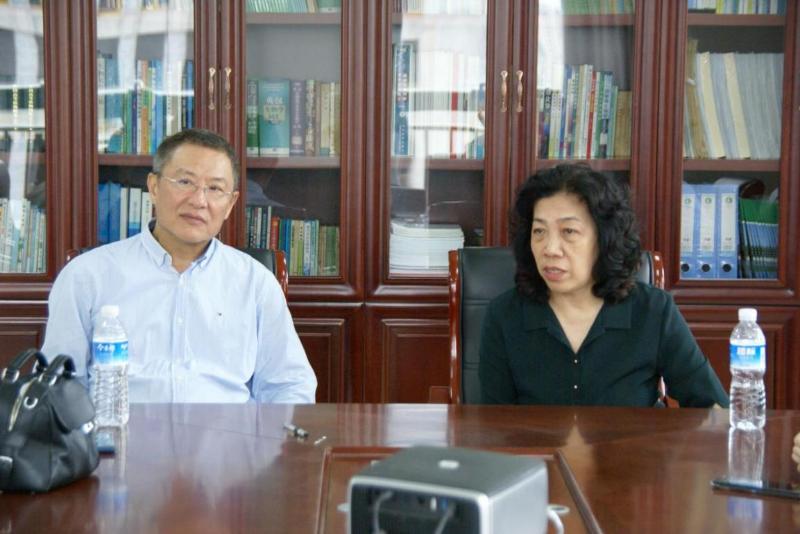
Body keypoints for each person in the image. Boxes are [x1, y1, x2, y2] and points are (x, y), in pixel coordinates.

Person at [42, 128, 316, 403]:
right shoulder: (87, 276)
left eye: (215, 188)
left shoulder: (255, 282)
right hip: (121, 428)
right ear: (154, 187)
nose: (199, 201)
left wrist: (270, 432)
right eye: (185, 182)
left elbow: (290, 385)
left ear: (231, 203)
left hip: (229, 430)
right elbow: (59, 386)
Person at [479, 163, 728, 407]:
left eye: (569, 231)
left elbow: (712, 409)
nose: (550, 249)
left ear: (605, 239)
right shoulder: (504, 315)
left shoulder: (653, 310)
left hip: (631, 438)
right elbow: (494, 424)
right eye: (539, 231)